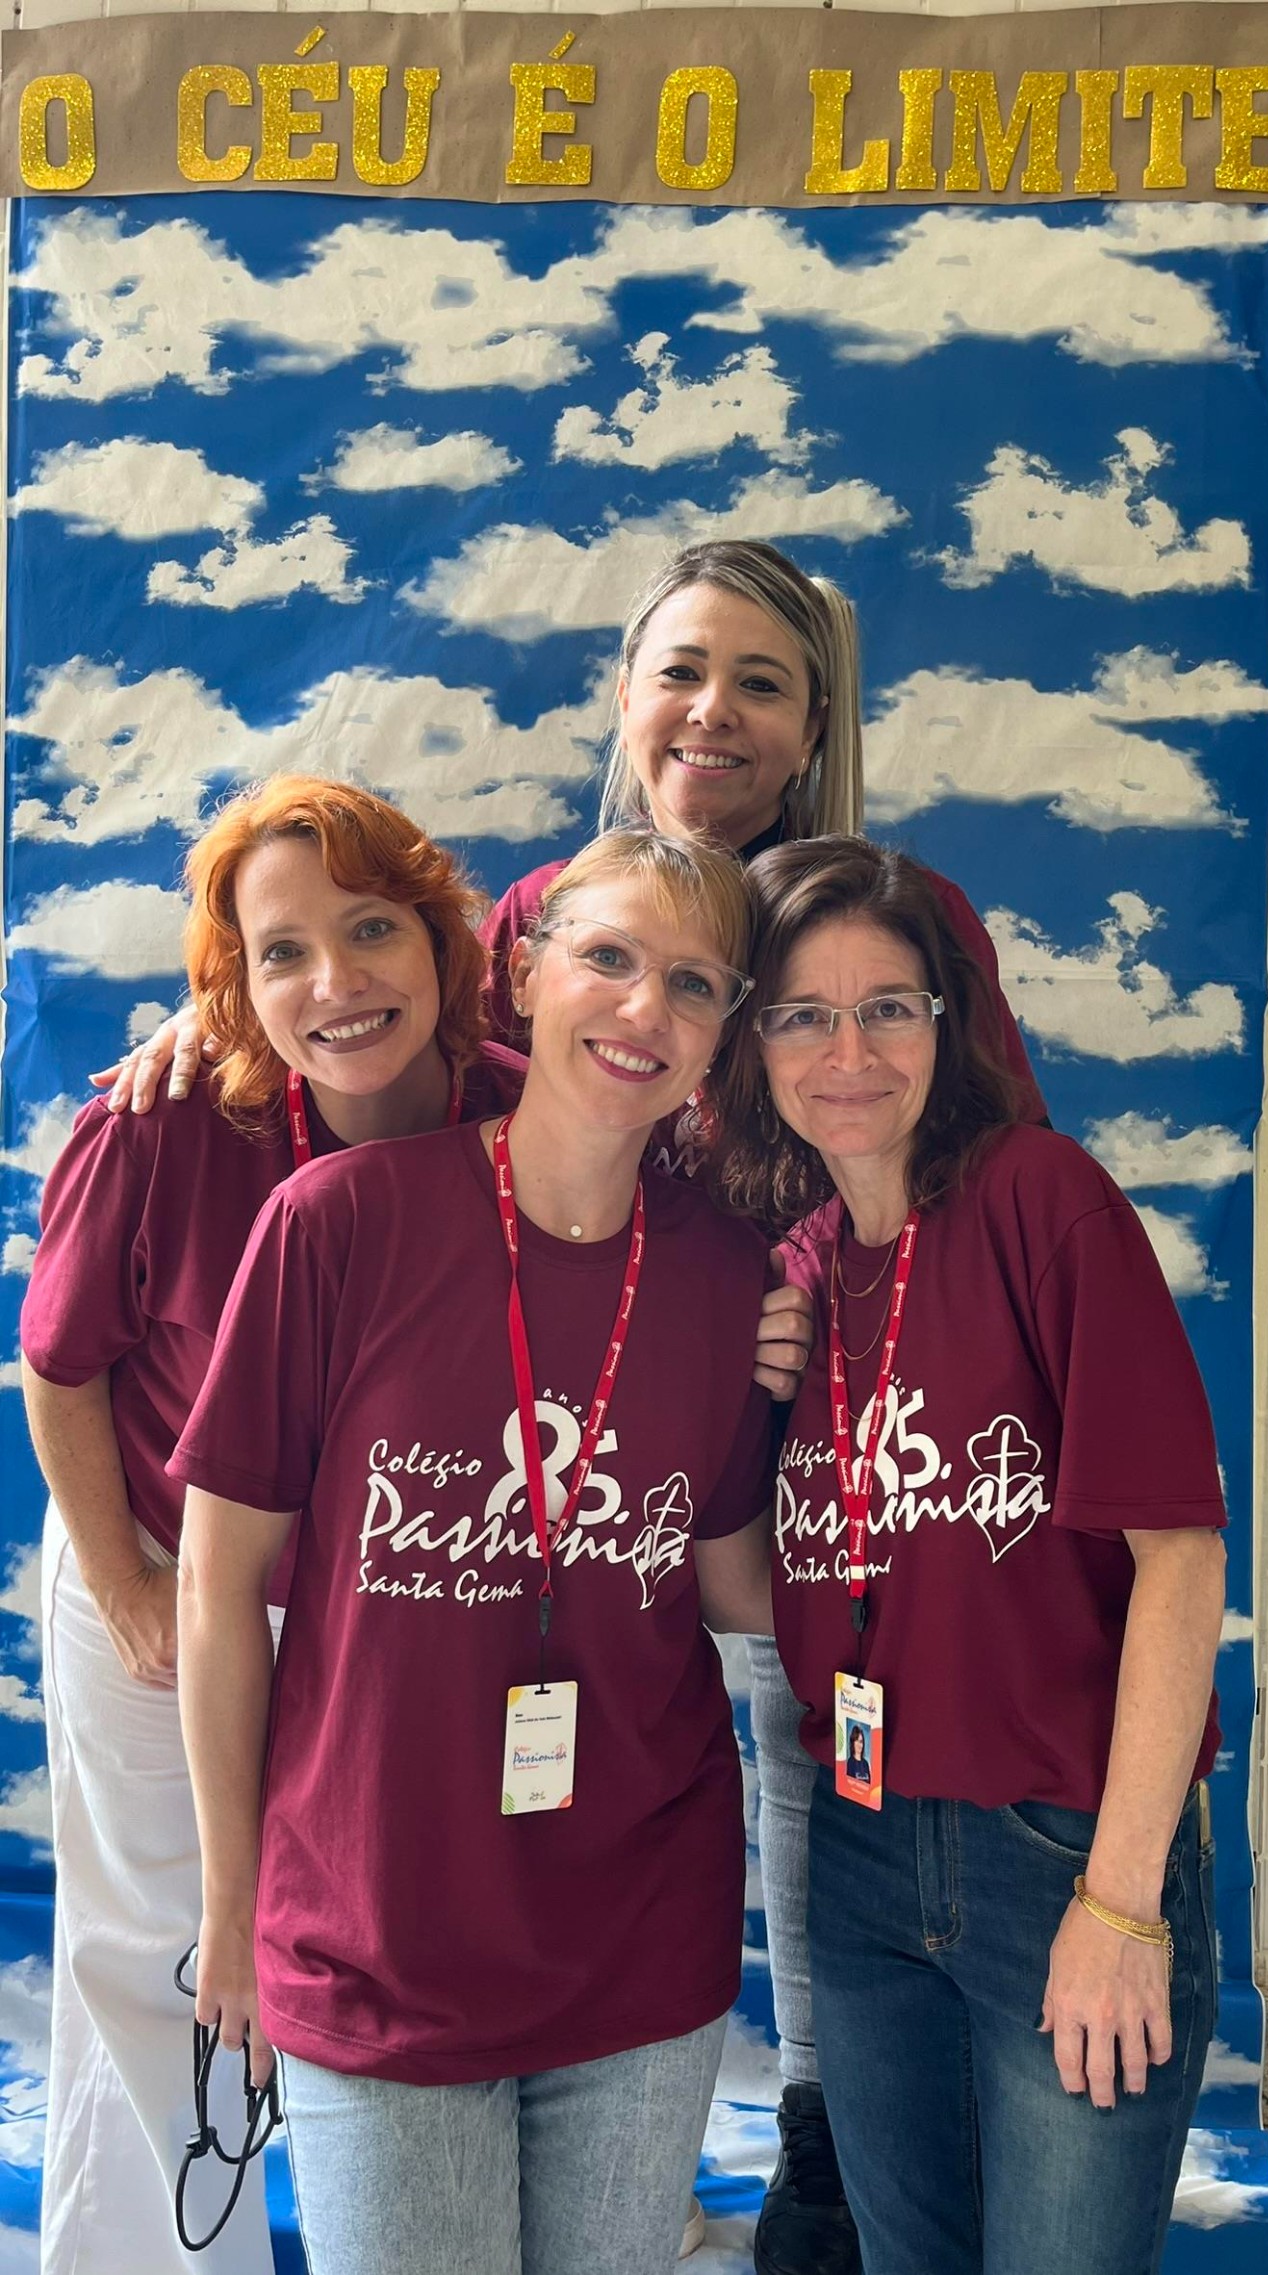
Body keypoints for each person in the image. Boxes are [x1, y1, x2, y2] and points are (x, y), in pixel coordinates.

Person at [100, 537, 1046, 2275]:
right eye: (683, 667)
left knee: (826, 1800)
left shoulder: (877, 919)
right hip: (421, 1828)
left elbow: (980, 1179)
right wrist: (223, 1015)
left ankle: (836, 2144)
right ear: (525, 973)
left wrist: (863, 1375)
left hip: (804, 1475)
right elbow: (368, 1004)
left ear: (818, 722)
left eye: (763, 679)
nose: (715, 710)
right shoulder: (406, 1138)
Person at [168, 830, 778, 2275]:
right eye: (608, 958)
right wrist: (232, 1907)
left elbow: (736, 1587)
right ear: (525, 972)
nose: (644, 1009)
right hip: (378, 1937)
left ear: (723, 1034)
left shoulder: (728, 1273)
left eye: (694, 984)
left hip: (639, 1936)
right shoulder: (338, 1227)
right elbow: (215, 1589)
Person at [20, 775, 527, 2275]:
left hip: (388, 1604)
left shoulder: (523, 1111)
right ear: (232, 981)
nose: (335, 982)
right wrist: (126, 1584)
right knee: (161, 1950)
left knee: (369, 1926)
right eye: (281, 952)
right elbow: (59, 1368)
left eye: (370, 929)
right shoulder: (165, 1124)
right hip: (161, 1559)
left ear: (440, 939)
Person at [708, 835, 1226, 2275]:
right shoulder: (798, 1276)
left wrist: (1120, 1901)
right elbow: (754, 1594)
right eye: (803, 1014)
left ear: (951, 1024)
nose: (848, 1053)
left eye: (889, 1007)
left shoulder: (1039, 1202)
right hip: (863, 1849)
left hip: (1059, 1846)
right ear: (755, 1045)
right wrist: (730, 1409)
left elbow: (1182, 1559)